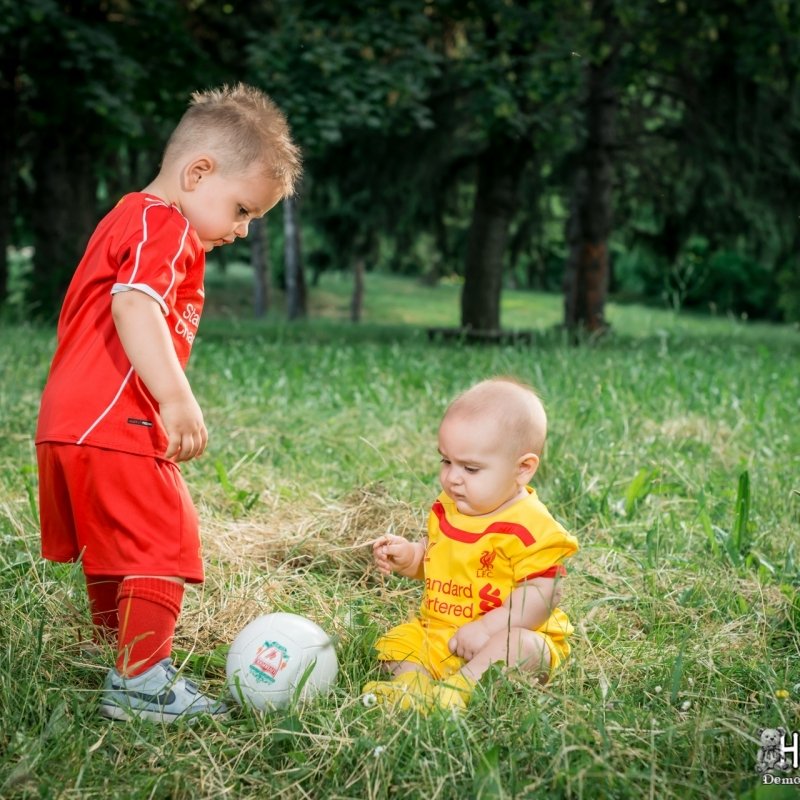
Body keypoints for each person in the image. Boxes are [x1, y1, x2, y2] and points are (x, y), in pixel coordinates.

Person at [35, 83, 301, 723]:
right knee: (163, 536)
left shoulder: (126, 215)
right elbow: (135, 303)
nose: (240, 230)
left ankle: (115, 649)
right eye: (241, 209)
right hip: (113, 417)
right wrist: (176, 399)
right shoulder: (165, 223)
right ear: (197, 172)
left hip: (67, 422)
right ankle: (140, 679)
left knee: (115, 542)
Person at [363, 378, 579, 713]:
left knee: (524, 648)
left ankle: (458, 690)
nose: (452, 478)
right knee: (398, 643)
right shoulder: (450, 506)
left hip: (499, 637)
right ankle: (413, 688)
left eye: (471, 468)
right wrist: (410, 557)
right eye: (446, 461)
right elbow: (437, 557)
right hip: (441, 632)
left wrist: (488, 628)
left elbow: (541, 595)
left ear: (523, 469)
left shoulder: (530, 528)